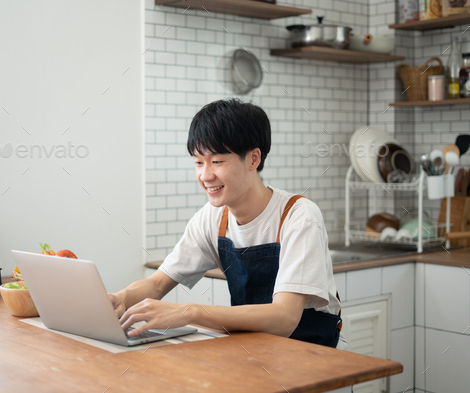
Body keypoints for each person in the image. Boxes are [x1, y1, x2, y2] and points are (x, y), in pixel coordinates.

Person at [109, 99, 346, 349]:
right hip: (253, 352)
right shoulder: (213, 217)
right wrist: (119, 299)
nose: (205, 175)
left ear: (253, 159)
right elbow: (157, 284)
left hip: (313, 357)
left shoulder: (298, 216)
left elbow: (284, 318)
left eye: (217, 161)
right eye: (199, 162)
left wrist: (189, 312)